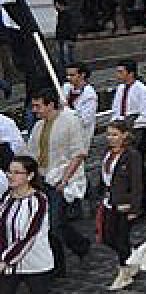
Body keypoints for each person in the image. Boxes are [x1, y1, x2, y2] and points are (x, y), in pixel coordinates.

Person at [25, 91, 89, 272]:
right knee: (48, 224)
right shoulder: (38, 127)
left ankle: (73, 251)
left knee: (55, 225)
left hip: (60, 181)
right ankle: (61, 261)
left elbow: (78, 153)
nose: (34, 110)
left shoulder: (70, 121)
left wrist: (65, 179)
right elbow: (31, 155)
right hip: (42, 180)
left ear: (50, 104)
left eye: (38, 106)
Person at [98, 120, 144, 290]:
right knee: (108, 236)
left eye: (115, 134)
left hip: (124, 204)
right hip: (109, 201)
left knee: (121, 238)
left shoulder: (132, 155)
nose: (111, 138)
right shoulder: (108, 153)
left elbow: (138, 183)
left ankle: (124, 272)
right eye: (109, 134)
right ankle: (132, 257)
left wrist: (134, 208)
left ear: (124, 135)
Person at [0, 156, 54, 293]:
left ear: (30, 176)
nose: (10, 176)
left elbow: (29, 235)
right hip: (9, 265)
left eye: (16, 172)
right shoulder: (7, 197)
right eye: (9, 171)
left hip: (35, 263)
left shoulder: (39, 200)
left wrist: (6, 259)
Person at [110, 60, 146, 164]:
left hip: (136, 132)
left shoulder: (142, 90)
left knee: (136, 163)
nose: (118, 75)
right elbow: (115, 110)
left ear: (130, 73)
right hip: (120, 131)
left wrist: (130, 125)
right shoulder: (120, 88)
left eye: (121, 72)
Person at [61, 62, 98, 140]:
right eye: (67, 75)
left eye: (72, 75)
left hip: (81, 136)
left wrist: (67, 110)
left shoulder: (89, 94)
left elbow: (85, 120)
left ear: (82, 75)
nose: (68, 78)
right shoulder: (66, 88)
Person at [52, 0, 77, 70]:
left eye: (56, 5)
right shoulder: (60, 14)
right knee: (60, 57)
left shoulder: (69, 14)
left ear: (60, 4)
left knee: (67, 58)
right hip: (60, 38)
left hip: (67, 38)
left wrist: (72, 38)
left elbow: (72, 26)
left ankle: (71, 72)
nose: (55, 7)